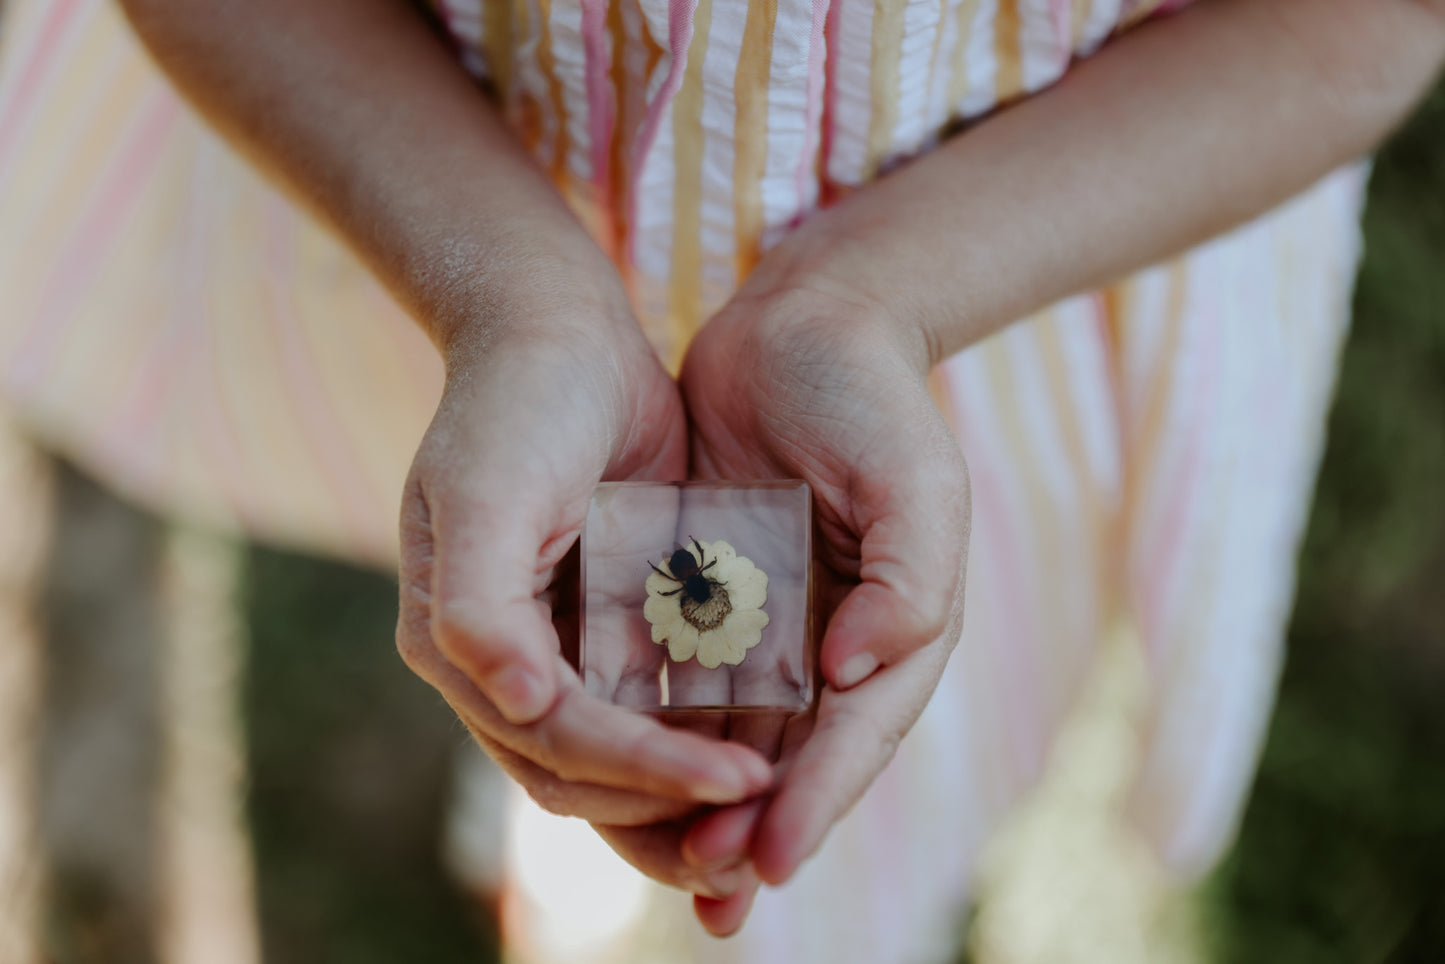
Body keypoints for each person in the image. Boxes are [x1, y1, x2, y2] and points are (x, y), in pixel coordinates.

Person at [0, 0, 1440, 956]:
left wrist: (869, 301)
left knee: (866, 753)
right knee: (531, 589)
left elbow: (1356, 23)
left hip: (1011, 266)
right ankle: (564, 848)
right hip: (468, 199)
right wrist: (513, 301)